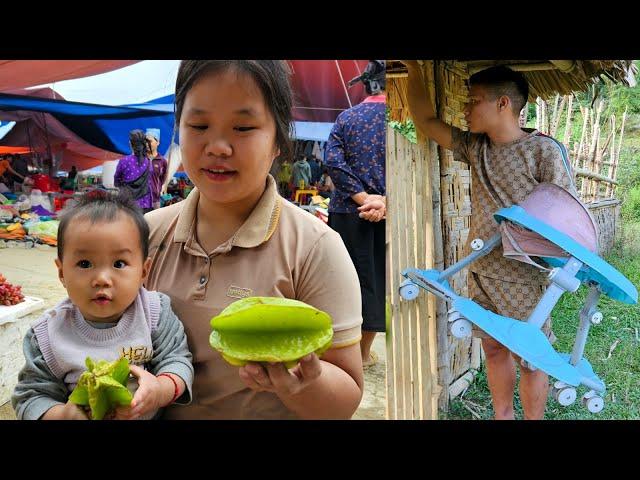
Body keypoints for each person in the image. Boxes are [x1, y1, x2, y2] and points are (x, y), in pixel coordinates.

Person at [144, 60, 364, 420]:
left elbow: (345, 399)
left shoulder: (315, 247)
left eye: (243, 127)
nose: (217, 147)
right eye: (198, 125)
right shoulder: (145, 236)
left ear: (278, 140)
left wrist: (306, 383)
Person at [402, 61, 576, 420]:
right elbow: (426, 123)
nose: (465, 109)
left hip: (526, 278)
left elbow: (566, 218)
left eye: (474, 100)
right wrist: (415, 70)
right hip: (480, 269)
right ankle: (502, 416)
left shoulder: (543, 151)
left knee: (530, 358)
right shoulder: (475, 147)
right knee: (494, 349)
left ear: (503, 105)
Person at [12, 190, 193, 420]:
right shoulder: (46, 336)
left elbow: (177, 360)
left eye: (119, 263)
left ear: (143, 271)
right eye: (85, 263)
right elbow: (30, 396)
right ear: (61, 272)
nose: (102, 279)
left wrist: (160, 390)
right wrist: (61, 415)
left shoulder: (154, 312)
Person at [325, 60, 387, 369]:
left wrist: (362, 198)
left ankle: (343, 352)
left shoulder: (346, 118)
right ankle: (363, 354)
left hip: (347, 212)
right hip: (390, 212)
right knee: (376, 279)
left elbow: (334, 163)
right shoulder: (400, 121)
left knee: (344, 280)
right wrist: (383, 201)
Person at [114, 130, 154, 213]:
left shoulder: (124, 161)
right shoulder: (148, 162)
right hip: (145, 204)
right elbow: (150, 182)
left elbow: (116, 182)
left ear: (130, 143)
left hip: (127, 203)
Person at [146, 128, 168, 210]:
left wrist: (156, 189)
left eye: (150, 141)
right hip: (140, 201)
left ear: (157, 142)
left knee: (154, 222)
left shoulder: (162, 161)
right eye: (145, 141)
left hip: (155, 200)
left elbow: (163, 178)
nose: (147, 144)